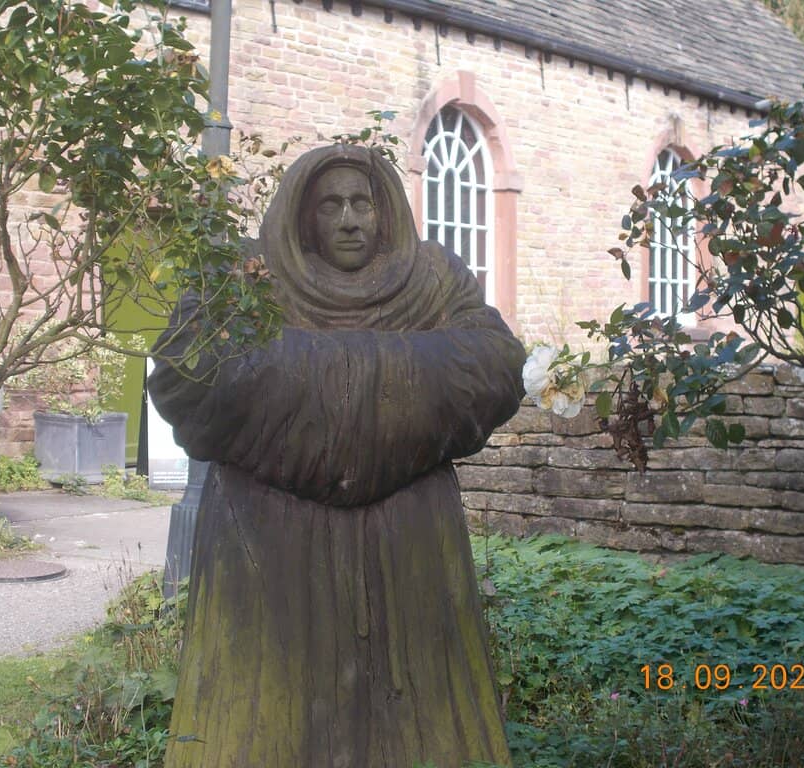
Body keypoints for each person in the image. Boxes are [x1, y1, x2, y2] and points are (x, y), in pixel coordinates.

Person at [149, 144, 525, 768]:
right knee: (265, 721)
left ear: (383, 213)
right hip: (268, 551)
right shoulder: (247, 275)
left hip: (411, 546)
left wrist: (296, 376)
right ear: (303, 217)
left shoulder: (432, 277)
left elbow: (495, 366)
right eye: (331, 205)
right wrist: (396, 383)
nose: (350, 220)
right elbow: (189, 374)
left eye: (362, 203)